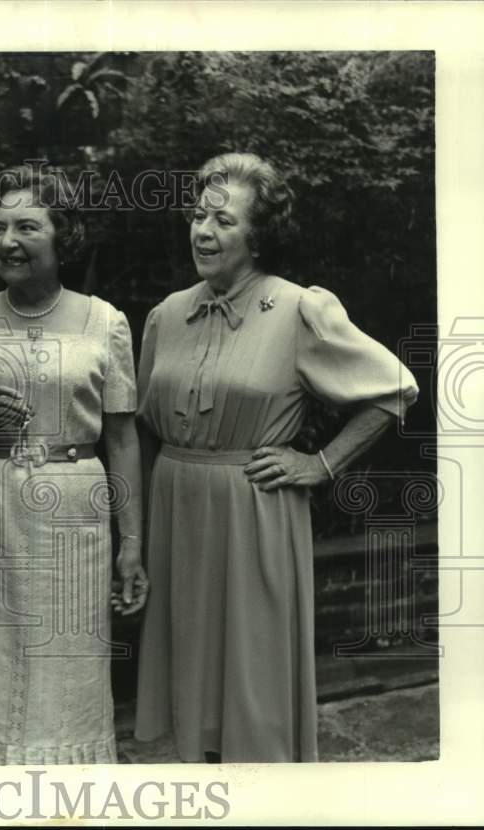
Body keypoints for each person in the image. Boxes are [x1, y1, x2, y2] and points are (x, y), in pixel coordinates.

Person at [132, 152, 419, 762]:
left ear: (258, 236)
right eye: (197, 216)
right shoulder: (166, 315)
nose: (203, 232)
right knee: (194, 699)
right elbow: (145, 430)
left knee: (254, 699)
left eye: (224, 221)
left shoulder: (299, 310)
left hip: (253, 515)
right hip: (177, 519)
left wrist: (320, 464)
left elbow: (395, 389)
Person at [0, 166, 149, 764]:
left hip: (75, 515)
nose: (8, 241)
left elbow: (123, 439)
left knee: (67, 673)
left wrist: (132, 542)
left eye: (27, 226)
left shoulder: (105, 321)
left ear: (62, 238)